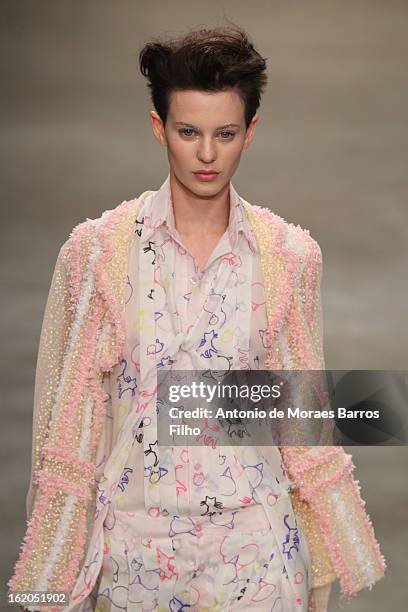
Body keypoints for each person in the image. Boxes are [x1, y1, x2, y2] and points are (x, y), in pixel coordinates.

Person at [9, 26, 385, 612]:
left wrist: (318, 579)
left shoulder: (289, 256)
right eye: (188, 132)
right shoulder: (98, 251)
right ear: (159, 128)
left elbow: (299, 421)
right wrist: (52, 590)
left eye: (225, 134)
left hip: (259, 557)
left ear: (250, 134)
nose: (207, 154)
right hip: (135, 565)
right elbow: (66, 434)